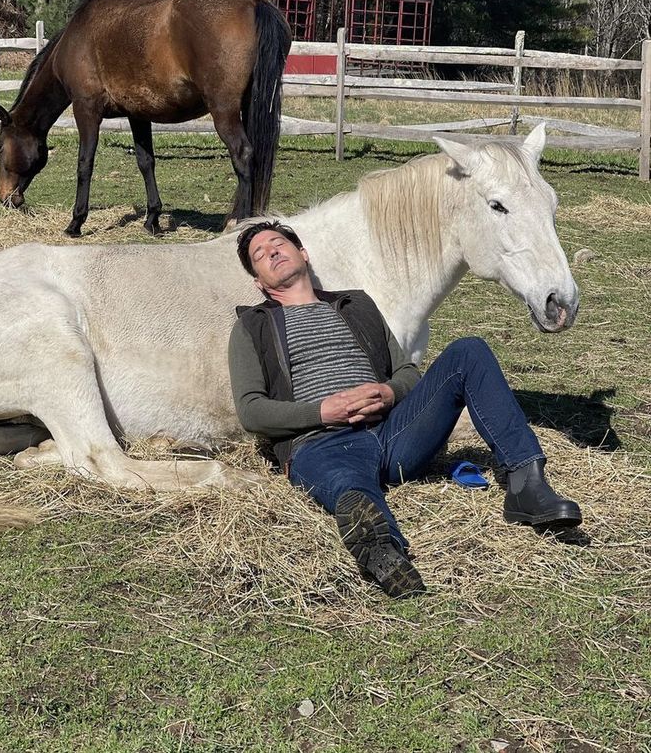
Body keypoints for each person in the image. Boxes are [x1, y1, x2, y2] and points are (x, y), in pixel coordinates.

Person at [228, 221, 582, 598]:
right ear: (259, 283)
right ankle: (384, 551)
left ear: (303, 254)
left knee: (469, 351)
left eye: (278, 244)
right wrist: (322, 412)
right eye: (260, 255)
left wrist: (387, 392)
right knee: (351, 491)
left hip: (394, 431)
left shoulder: (356, 305)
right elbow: (251, 411)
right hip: (321, 444)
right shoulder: (253, 326)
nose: (272, 252)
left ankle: (527, 485)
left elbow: (408, 375)